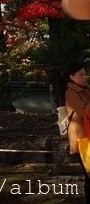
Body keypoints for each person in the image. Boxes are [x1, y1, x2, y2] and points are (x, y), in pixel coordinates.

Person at [63, 63, 90, 203]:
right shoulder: (71, 93)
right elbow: (84, 112)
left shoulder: (86, 90)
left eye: (85, 74)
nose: (85, 77)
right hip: (82, 141)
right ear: (71, 76)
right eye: (81, 75)